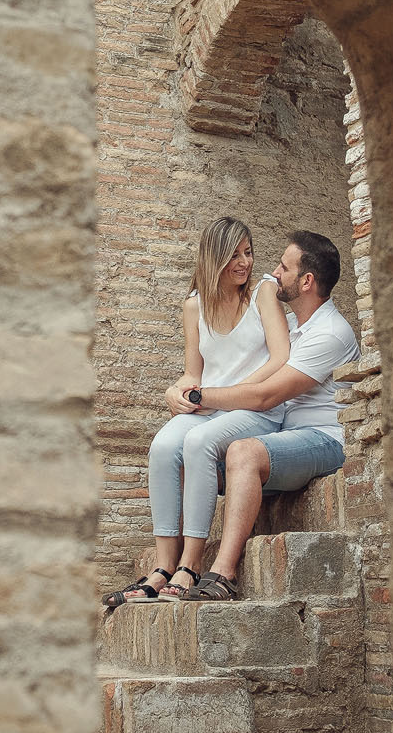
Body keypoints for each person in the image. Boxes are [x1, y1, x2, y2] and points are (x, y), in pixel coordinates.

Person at [102, 217, 293, 607]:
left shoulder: (263, 293)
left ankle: (190, 564)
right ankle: (162, 566)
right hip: (208, 406)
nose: (244, 262)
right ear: (213, 257)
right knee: (162, 446)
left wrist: (226, 395)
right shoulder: (194, 305)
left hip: (257, 409)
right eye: (233, 255)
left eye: (247, 252)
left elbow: (282, 358)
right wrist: (175, 391)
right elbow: (194, 373)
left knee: (199, 441)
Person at [174, 230, 358, 603]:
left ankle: (223, 574)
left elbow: (265, 395)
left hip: (324, 439)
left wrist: (199, 397)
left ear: (306, 282)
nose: (272, 273)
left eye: (283, 267)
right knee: (185, 453)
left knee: (242, 452)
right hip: (286, 439)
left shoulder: (331, 333)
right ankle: (176, 568)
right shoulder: (291, 328)